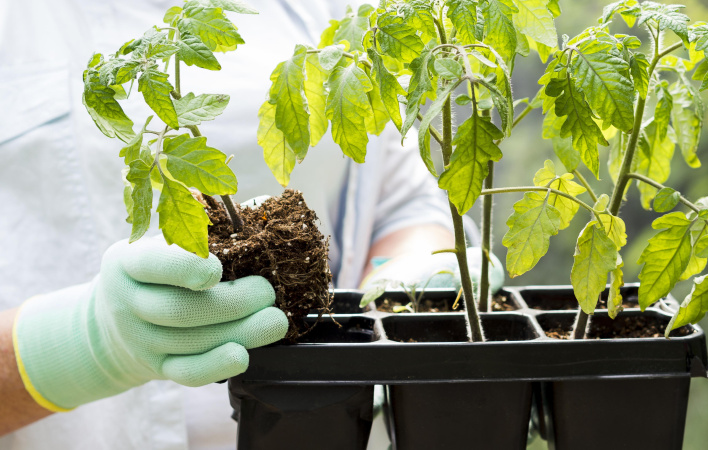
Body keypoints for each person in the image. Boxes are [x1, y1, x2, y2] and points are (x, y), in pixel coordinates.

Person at [0, 1, 501, 448]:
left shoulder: (343, 12)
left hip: (325, 421)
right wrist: (86, 342)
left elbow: (401, 197)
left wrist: (411, 268)